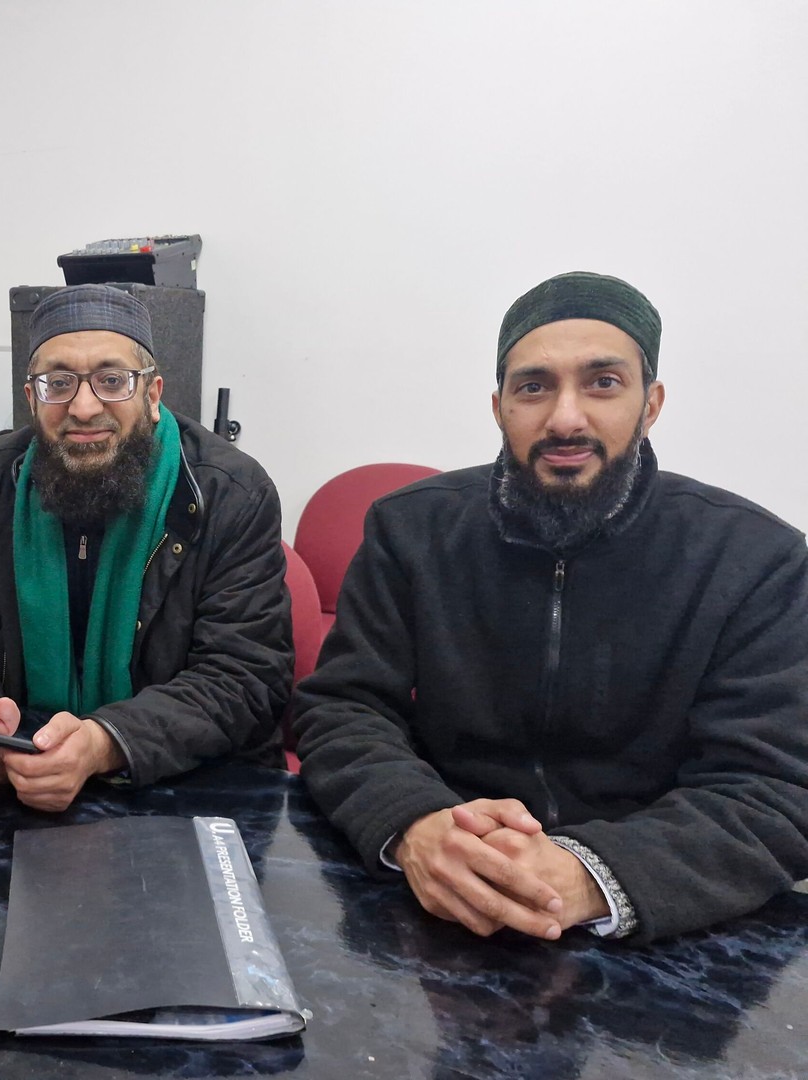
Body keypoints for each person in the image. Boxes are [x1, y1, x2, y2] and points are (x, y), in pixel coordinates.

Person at [292, 271, 808, 944]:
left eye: (602, 383)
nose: (566, 417)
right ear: (500, 405)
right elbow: (343, 708)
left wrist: (587, 874)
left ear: (650, 404)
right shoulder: (409, 530)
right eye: (533, 386)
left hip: (661, 921)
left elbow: (774, 788)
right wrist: (416, 824)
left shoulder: (755, 559)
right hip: (436, 891)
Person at [0, 284, 292, 811]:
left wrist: (103, 742)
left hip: (188, 788)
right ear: (31, 398)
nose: (83, 407)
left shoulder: (231, 492)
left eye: (112, 381)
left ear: (152, 395)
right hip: (18, 770)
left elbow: (244, 677)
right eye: (58, 383)